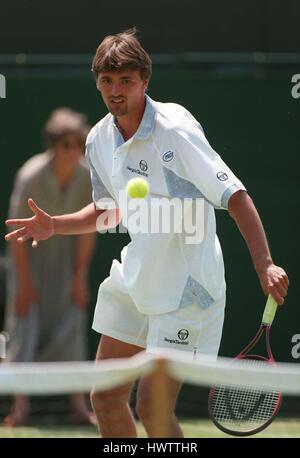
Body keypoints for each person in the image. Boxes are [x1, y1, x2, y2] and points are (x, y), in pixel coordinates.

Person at [5, 29, 289, 437]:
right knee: (104, 398)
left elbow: (236, 196)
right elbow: (107, 211)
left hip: (186, 293)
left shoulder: (175, 132)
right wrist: (57, 225)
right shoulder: (98, 139)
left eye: (126, 80)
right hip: (138, 279)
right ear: (97, 82)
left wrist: (264, 265)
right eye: (107, 81)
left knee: (152, 409)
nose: (115, 90)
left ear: (145, 81)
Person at [4, 108, 97, 426]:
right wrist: (24, 284)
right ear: (54, 146)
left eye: (77, 145)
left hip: (66, 265)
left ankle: (79, 407)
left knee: (72, 326)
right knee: (23, 332)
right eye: (65, 145)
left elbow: (88, 231)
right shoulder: (30, 176)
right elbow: (16, 234)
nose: (72, 152)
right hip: (28, 264)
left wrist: (79, 276)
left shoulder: (86, 176)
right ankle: (21, 409)